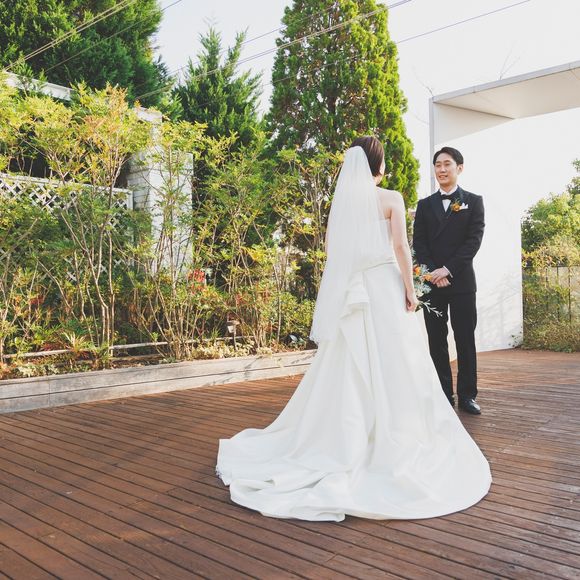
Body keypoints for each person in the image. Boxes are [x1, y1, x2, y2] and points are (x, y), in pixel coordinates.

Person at [216, 137, 491, 522]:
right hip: (384, 287)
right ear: (379, 165)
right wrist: (410, 290)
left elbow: (333, 252)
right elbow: (401, 248)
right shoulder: (391, 198)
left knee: (348, 361)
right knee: (397, 359)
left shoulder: (342, 203)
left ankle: (341, 436)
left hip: (355, 292)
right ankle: (399, 430)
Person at [413, 147, 485, 415]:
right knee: (436, 340)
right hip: (432, 283)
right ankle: (443, 395)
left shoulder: (473, 202)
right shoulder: (424, 205)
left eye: (447, 164)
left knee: (465, 339)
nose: (441, 169)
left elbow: (473, 242)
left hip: (462, 282)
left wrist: (448, 270)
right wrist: (434, 272)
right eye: (437, 165)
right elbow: (419, 243)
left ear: (459, 168)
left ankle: (468, 395)